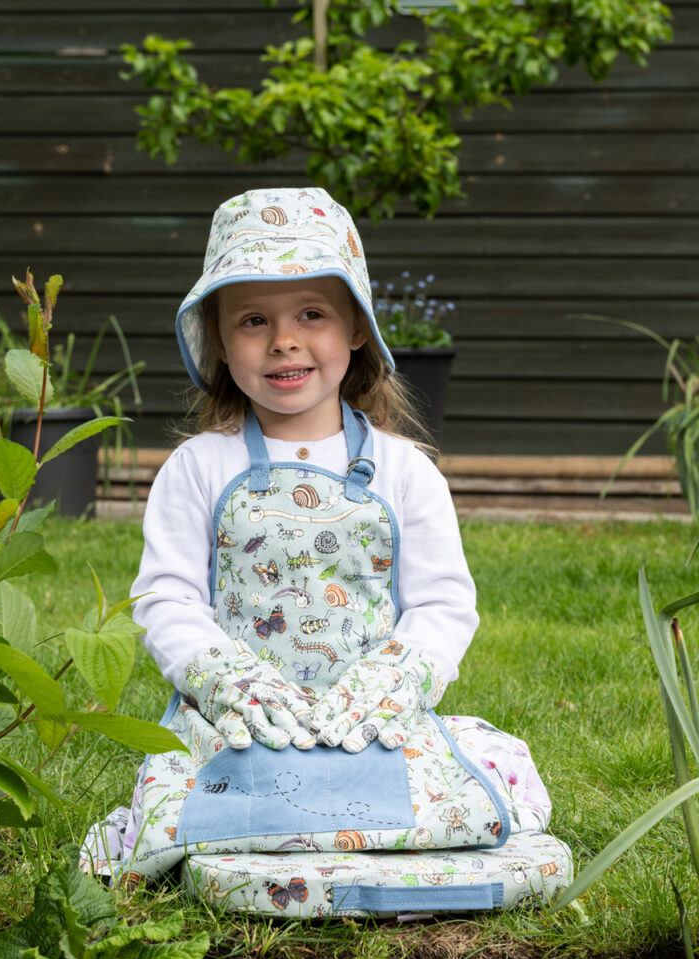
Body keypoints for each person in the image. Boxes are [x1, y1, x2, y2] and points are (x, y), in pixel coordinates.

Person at [81, 187, 552, 880]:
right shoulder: (198, 468)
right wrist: (224, 681)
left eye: (312, 314)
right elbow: (166, 600)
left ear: (357, 327)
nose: (284, 341)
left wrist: (398, 681)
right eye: (252, 320)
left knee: (471, 790)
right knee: (200, 804)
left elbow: (443, 604)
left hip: (372, 728)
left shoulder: (405, 472)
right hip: (242, 732)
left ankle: (319, 821)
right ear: (216, 336)